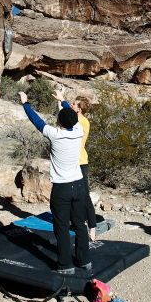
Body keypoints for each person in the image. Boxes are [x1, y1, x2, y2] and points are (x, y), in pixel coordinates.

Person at [18, 91, 90, 274]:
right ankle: (84, 261)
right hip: (79, 185)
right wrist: (63, 101)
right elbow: (71, 116)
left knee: (62, 226)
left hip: (62, 188)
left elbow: (36, 121)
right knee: (80, 223)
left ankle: (66, 265)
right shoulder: (79, 131)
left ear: (59, 122)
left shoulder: (54, 134)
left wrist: (25, 103)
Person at [54, 90, 98, 241]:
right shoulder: (74, 119)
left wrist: (63, 100)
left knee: (84, 194)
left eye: (74, 104)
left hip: (80, 162)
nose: (71, 105)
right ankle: (78, 221)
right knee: (75, 195)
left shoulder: (82, 122)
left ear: (79, 109)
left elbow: (68, 114)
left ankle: (92, 225)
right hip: (73, 162)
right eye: (71, 103)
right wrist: (60, 101)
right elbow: (63, 116)